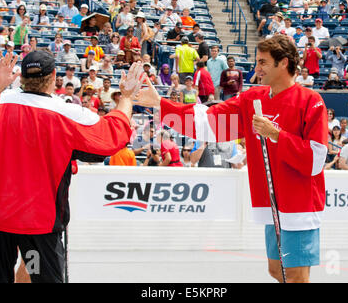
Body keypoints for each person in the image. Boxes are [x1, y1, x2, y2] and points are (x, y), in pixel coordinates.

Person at [134, 35, 328, 283]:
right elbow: (208, 122)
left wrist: (276, 134)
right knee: (276, 271)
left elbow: (315, 161)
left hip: (299, 204)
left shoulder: (311, 101)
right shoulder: (252, 100)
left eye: (263, 62)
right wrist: (161, 104)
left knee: (296, 277)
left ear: (284, 63)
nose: (256, 68)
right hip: (273, 203)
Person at [0, 53, 147, 283]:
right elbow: (112, 137)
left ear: (23, 77)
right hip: (39, 225)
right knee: (39, 273)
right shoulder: (67, 113)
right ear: (54, 77)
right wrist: (126, 98)